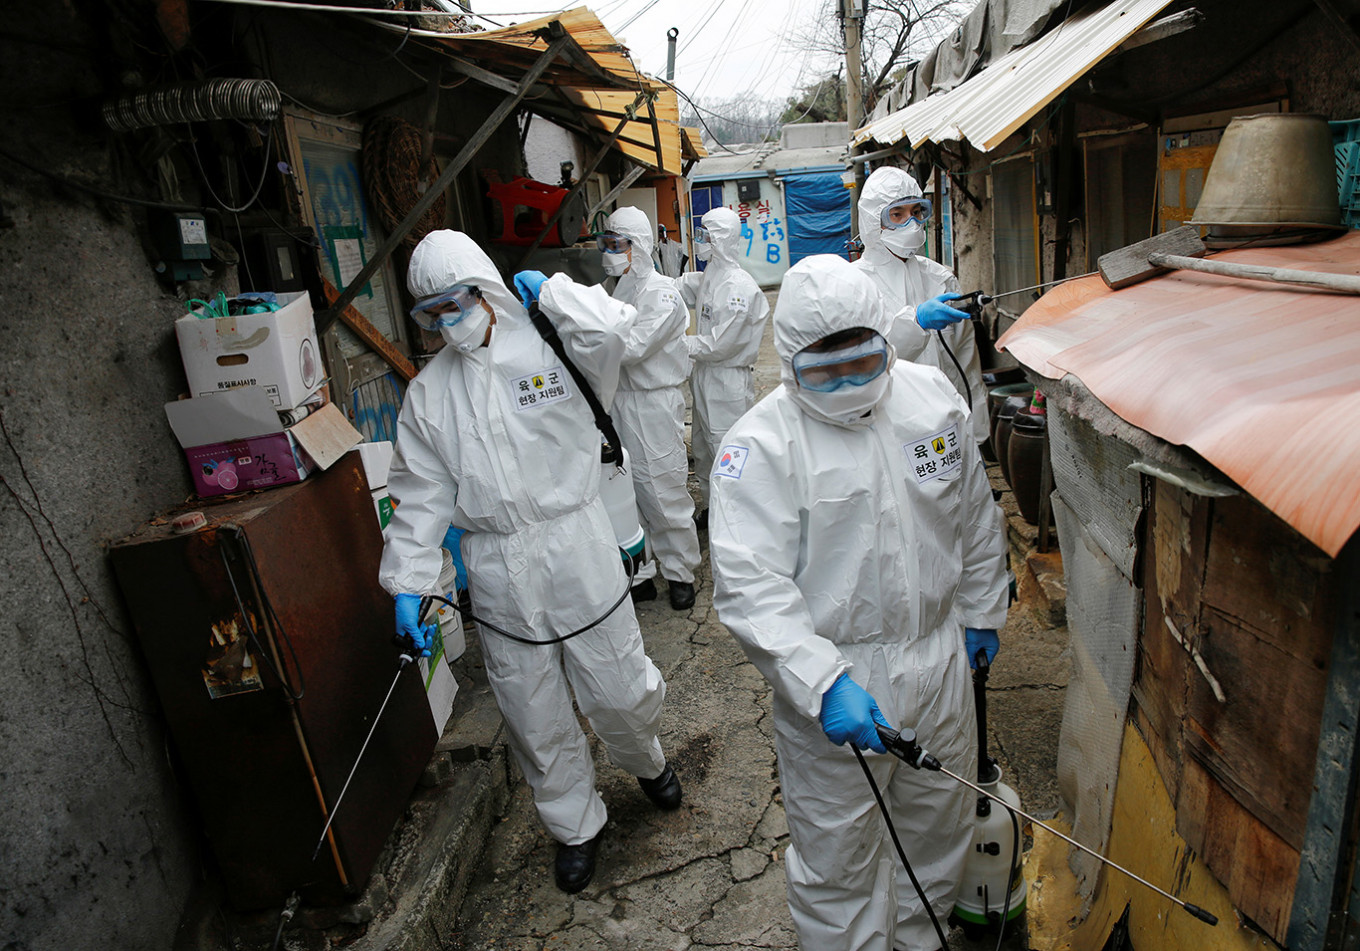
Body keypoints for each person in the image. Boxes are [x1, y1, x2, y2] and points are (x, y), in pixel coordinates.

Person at [708, 255, 1008, 951]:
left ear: (885, 339)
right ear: (788, 365)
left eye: (862, 362)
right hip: (836, 688)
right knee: (838, 860)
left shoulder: (932, 400)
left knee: (938, 826)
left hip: (938, 662)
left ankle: (918, 938)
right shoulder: (761, 446)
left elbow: (972, 516)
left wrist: (983, 607)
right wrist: (822, 680)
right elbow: (753, 587)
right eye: (822, 372)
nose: (845, 385)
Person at [380, 230, 683, 895]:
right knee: (532, 709)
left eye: (455, 304)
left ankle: (645, 755)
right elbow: (420, 495)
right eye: (430, 314)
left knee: (619, 683)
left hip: (575, 538)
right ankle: (575, 826)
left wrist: (556, 292)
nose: (445, 323)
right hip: (494, 563)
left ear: (486, 290)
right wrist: (408, 582)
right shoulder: (429, 395)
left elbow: (617, 332)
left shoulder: (554, 341)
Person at [597, 207, 701, 610]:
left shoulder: (662, 293)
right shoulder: (612, 289)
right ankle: (640, 572)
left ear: (638, 247)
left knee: (662, 489)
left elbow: (635, 347)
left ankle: (680, 571)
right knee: (623, 489)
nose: (610, 253)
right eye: (605, 244)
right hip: (616, 400)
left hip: (653, 402)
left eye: (617, 245)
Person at [855, 165, 989, 444]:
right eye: (897, 215)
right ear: (872, 220)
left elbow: (966, 361)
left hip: (946, 423)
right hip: (887, 429)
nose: (911, 224)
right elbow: (863, 364)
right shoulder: (853, 284)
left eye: (917, 212)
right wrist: (914, 324)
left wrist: (976, 432)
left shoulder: (940, 279)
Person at [678, 206, 770, 527]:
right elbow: (683, 287)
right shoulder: (711, 274)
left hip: (726, 381)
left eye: (704, 235)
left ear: (720, 239)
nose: (698, 240)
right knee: (704, 448)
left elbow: (721, 344)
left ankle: (739, 517)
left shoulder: (737, 287)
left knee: (728, 450)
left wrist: (679, 345)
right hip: (705, 377)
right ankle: (713, 509)